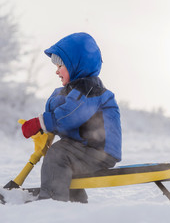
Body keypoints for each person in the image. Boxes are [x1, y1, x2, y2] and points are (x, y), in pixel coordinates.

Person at [21, 32, 122, 203]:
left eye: (60, 65)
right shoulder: (77, 90)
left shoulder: (89, 88)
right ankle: (75, 204)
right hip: (86, 149)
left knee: (58, 155)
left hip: (99, 151)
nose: (56, 71)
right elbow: (62, 104)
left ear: (76, 64)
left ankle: (52, 202)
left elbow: (71, 114)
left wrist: (41, 122)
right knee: (65, 162)